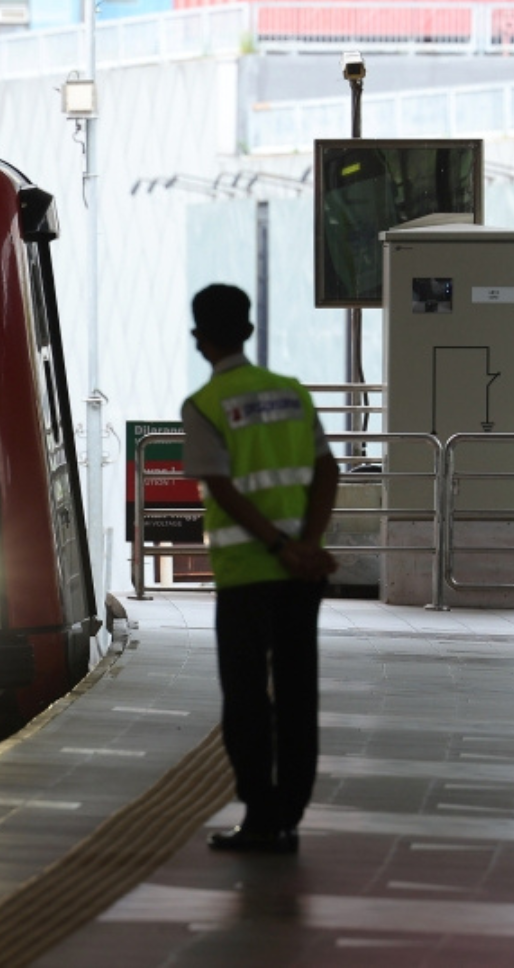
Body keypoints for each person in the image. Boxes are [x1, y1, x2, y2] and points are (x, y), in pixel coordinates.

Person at [181, 283, 339, 855]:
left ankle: (260, 815)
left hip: (249, 575)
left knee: (246, 698)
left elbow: (221, 487)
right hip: (301, 575)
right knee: (298, 695)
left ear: (202, 339)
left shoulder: (204, 405)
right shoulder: (293, 394)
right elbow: (328, 471)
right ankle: (288, 815)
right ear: (247, 331)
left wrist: (276, 547)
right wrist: (308, 544)